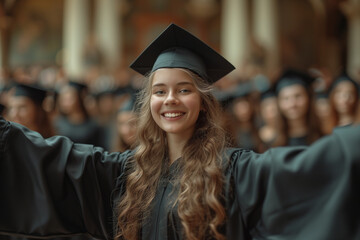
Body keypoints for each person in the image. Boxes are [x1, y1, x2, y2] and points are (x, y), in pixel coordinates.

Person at [0, 23, 360, 240]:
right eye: (160, 91)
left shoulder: (237, 172)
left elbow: (317, 171)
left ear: (203, 101)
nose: (170, 100)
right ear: (149, 101)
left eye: (184, 89)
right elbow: (46, 163)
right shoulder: (125, 175)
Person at [275, 69, 323, 146]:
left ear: (308, 98)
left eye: (298, 96)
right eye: (286, 98)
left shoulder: (323, 139)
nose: (292, 104)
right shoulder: (273, 143)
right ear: (278, 103)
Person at [54, 80, 106, 148]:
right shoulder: (57, 124)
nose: (65, 103)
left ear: (78, 99)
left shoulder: (93, 125)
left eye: (69, 99)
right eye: (63, 99)